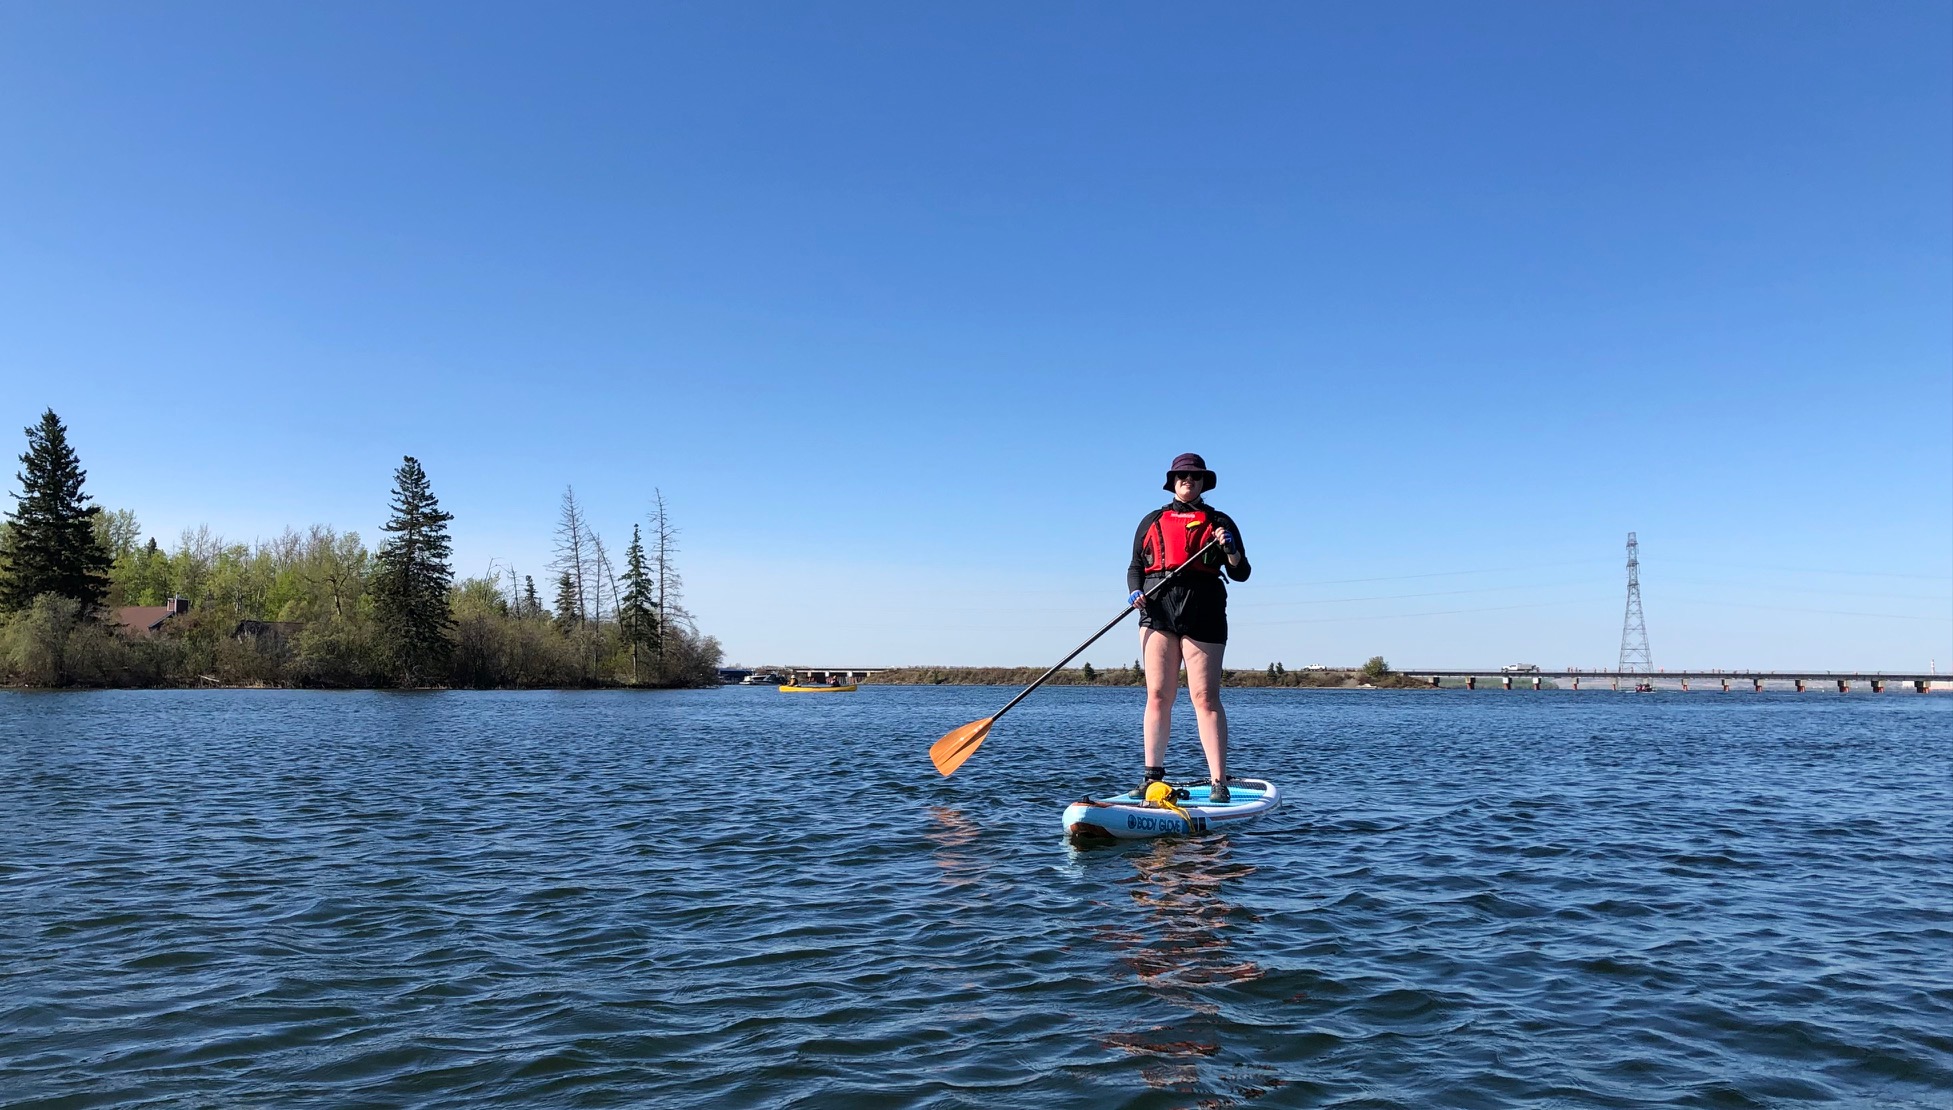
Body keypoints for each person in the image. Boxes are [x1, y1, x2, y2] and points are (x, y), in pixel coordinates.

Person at [1127, 452, 1251, 803]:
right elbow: (1135, 566)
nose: (1189, 481)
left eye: (1195, 477)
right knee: (1158, 695)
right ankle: (1152, 778)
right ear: (1173, 482)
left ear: (1202, 483)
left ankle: (1218, 782)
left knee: (1205, 698)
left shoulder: (1220, 521)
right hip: (1158, 609)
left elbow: (1241, 572)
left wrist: (1231, 552)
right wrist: (1134, 590)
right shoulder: (1152, 520)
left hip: (1204, 609)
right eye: (1183, 476)